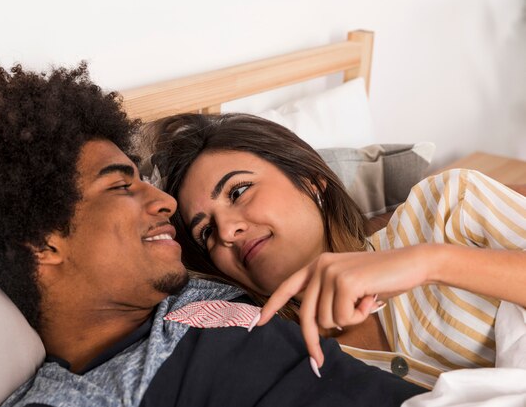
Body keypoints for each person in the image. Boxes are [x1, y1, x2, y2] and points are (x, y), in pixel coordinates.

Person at [0, 63, 425, 406]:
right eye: (120, 186)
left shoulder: (203, 278)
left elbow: (339, 228)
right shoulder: (79, 397)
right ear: (43, 241)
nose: (165, 202)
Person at [149, 112, 526, 388]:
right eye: (207, 232)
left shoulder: (445, 209)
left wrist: (432, 262)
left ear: (311, 181)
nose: (228, 231)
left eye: (238, 191)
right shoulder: (273, 356)